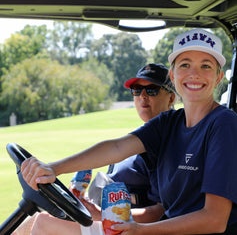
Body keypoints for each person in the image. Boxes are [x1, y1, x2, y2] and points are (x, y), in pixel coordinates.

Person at [21, 28, 237, 234]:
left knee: (45, 226)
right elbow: (116, 147)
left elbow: (214, 220)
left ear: (219, 77)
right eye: (185, 65)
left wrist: (142, 231)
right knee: (41, 222)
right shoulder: (169, 122)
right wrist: (54, 168)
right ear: (172, 75)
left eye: (206, 66)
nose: (194, 74)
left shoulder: (223, 124)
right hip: (160, 230)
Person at [13, 63, 176, 235]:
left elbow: (160, 213)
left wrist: (100, 214)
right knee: (26, 221)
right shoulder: (138, 138)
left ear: (171, 98)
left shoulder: (165, 144)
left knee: (43, 222)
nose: (142, 96)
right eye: (136, 90)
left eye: (151, 90)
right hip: (103, 213)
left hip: (124, 226)